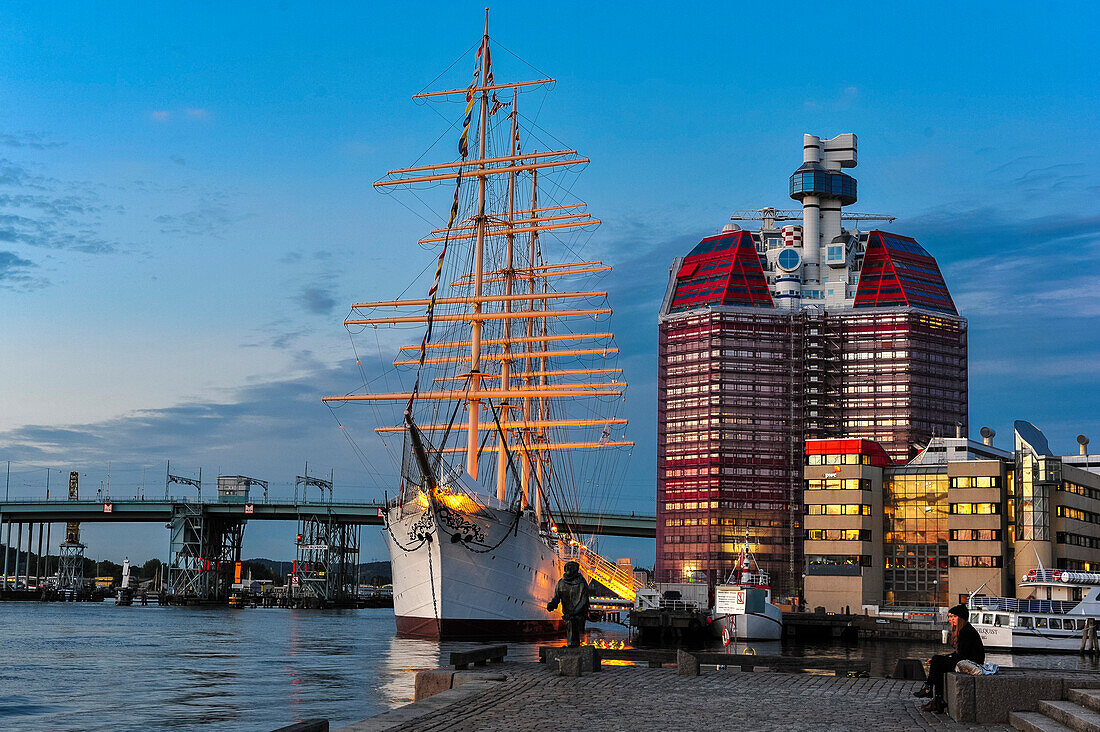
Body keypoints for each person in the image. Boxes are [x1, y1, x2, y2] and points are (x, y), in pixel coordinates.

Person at [914, 604, 985, 713]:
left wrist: (944, 658)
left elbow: (963, 655)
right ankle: (937, 699)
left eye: (954, 617)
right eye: (950, 617)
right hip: (966, 661)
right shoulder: (962, 630)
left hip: (972, 663)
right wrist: (946, 657)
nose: (950, 619)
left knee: (937, 661)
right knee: (937, 662)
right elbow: (959, 653)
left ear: (961, 618)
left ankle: (931, 692)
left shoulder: (966, 631)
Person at [547, 561, 590, 647]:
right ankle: (572, 646)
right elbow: (557, 597)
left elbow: (584, 600)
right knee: (571, 625)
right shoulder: (561, 583)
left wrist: (575, 611)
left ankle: (573, 646)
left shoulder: (581, 583)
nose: (569, 569)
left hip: (578, 611)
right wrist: (552, 604)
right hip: (568, 612)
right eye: (568, 567)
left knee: (573, 624)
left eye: (571, 567)